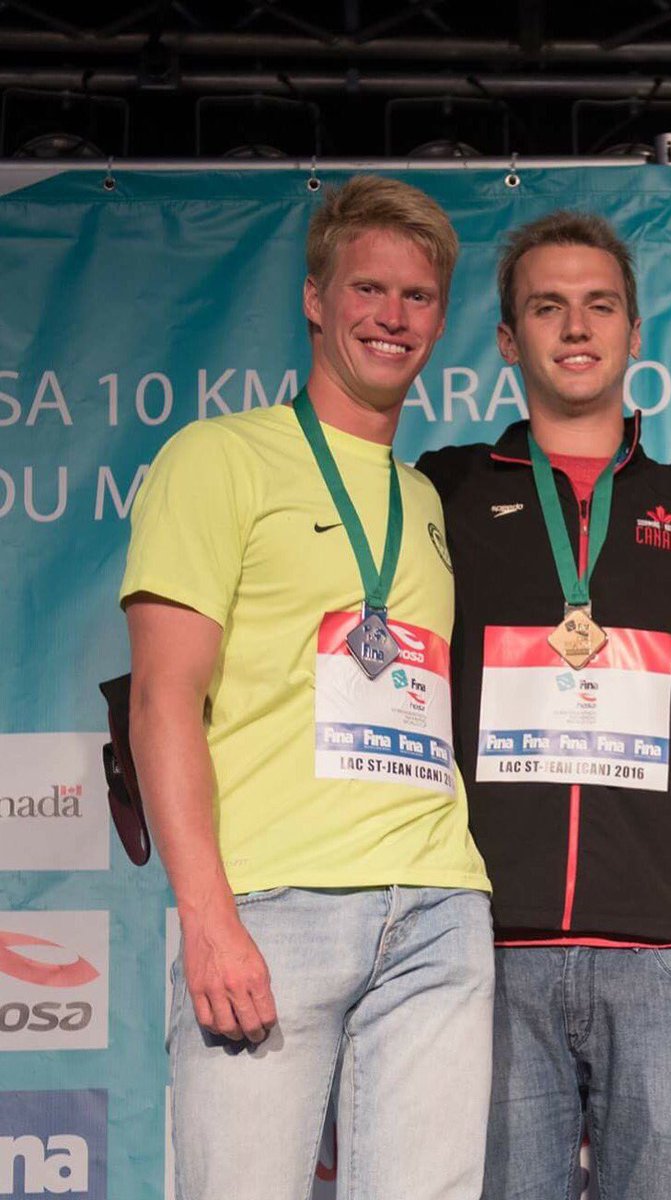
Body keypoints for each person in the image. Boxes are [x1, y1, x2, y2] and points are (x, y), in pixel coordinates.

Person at [121, 175, 493, 1200]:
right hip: (271, 910)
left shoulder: (425, 497)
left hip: (437, 912)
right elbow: (162, 702)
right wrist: (207, 917)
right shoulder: (217, 458)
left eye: (417, 298)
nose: (391, 317)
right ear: (316, 299)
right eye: (367, 289)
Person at [417, 211, 671, 1200]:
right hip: (490, 949)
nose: (577, 328)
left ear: (636, 332)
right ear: (508, 340)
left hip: (668, 944)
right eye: (546, 308)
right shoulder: (446, 492)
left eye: (600, 306)